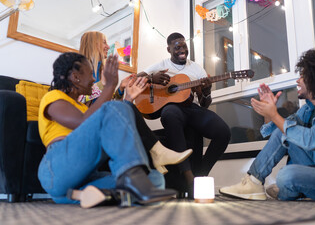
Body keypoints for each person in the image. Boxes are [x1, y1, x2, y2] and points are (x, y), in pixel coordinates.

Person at [37, 52, 177, 208]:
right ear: (76, 77)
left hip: (78, 180)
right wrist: (110, 86)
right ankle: (130, 181)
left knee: (155, 179)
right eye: (90, 74)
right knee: (115, 107)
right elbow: (82, 122)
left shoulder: (85, 108)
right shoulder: (53, 97)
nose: (93, 80)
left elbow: (111, 125)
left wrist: (128, 100)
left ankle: (95, 195)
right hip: (57, 168)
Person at [219, 47, 315, 202]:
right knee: (285, 135)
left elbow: (313, 139)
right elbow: (279, 137)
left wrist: (275, 115)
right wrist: (269, 116)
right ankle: (253, 181)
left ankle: (293, 190)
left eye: (303, 76)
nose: (297, 80)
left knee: (286, 176)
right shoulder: (306, 110)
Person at [79, 31, 192, 174]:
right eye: (104, 42)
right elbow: (80, 99)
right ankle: (157, 153)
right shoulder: (80, 68)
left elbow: (109, 104)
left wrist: (122, 90)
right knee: (127, 110)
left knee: (129, 106)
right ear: (92, 44)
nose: (108, 47)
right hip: (88, 123)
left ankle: (155, 156)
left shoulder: (103, 70)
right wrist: (107, 85)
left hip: (105, 121)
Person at [137, 32, 231, 194]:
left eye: (184, 46)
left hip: (192, 108)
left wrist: (206, 91)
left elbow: (204, 103)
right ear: (169, 49)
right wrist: (151, 78)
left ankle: (200, 175)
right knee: (169, 114)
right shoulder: (161, 64)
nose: (182, 50)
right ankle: (187, 176)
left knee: (223, 132)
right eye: (177, 47)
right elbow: (135, 79)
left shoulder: (196, 68)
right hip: (172, 108)